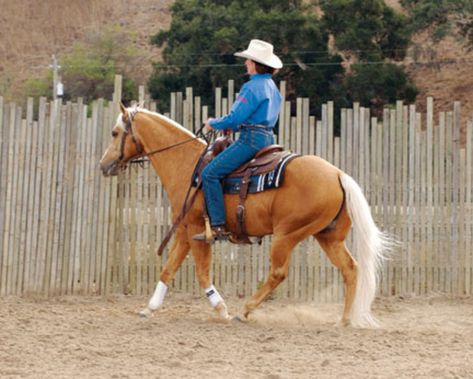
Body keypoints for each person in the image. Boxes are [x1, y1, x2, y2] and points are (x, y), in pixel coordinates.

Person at [193, 39, 283, 242]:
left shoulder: (251, 87)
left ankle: (217, 226)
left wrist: (212, 123)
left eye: (249, 60)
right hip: (268, 138)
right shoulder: (272, 87)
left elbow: (235, 119)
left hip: (250, 140)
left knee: (210, 173)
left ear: (256, 63)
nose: (246, 63)